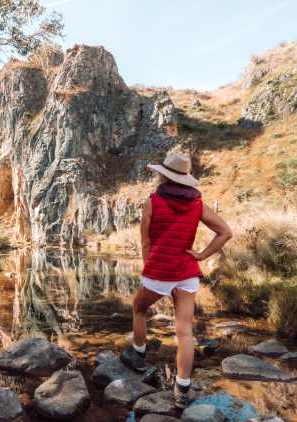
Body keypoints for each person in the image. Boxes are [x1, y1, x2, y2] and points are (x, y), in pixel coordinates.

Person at [120, 152, 232, 408]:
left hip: (160, 270)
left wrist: (148, 268)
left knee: (139, 308)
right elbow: (226, 232)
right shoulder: (198, 204)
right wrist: (202, 255)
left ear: (164, 175)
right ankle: (182, 391)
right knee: (184, 331)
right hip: (187, 272)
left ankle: (138, 356)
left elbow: (146, 241)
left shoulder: (153, 202)